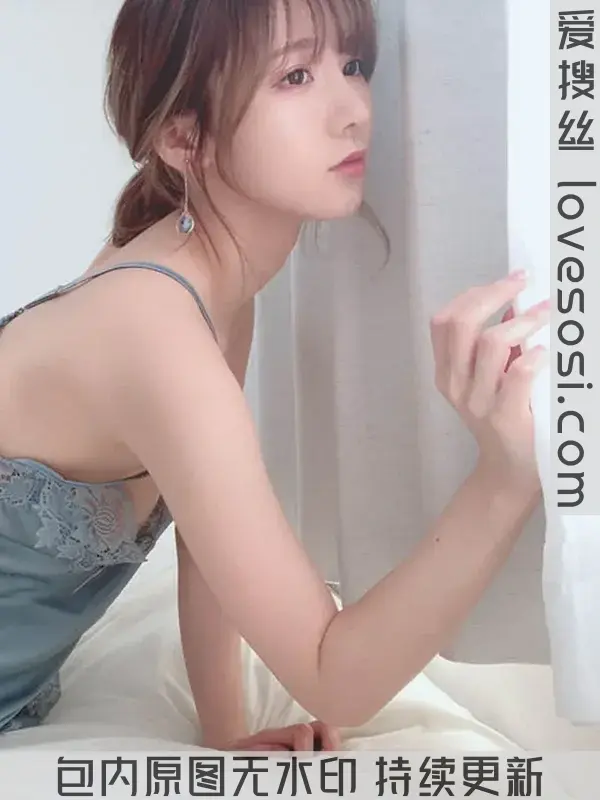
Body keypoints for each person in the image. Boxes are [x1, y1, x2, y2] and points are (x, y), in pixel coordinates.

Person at [0, 0, 549, 750]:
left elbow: (206, 539)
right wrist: (505, 479)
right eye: (294, 77)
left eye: (353, 65)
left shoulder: (205, 286)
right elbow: (336, 678)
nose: (354, 111)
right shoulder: (155, 329)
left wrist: (225, 732)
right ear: (183, 137)